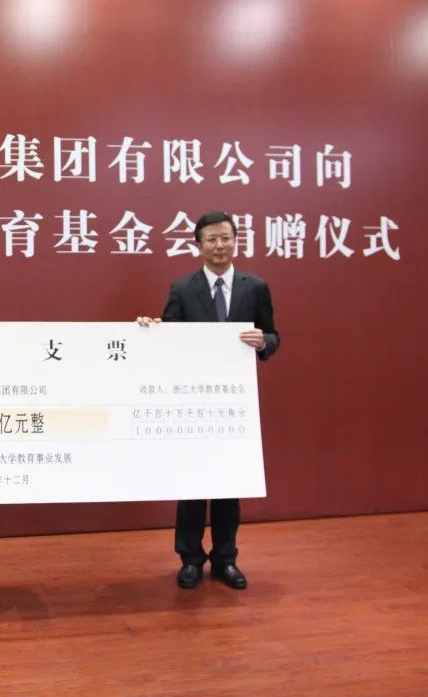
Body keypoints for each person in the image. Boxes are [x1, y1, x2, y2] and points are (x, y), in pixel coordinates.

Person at [137, 211, 279, 590]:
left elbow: (273, 336)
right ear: (198, 245)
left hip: (234, 403)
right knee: (193, 485)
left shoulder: (255, 287)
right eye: (212, 239)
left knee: (229, 486)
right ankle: (190, 559)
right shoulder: (183, 289)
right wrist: (151, 330)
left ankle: (225, 559)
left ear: (236, 241)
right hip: (193, 401)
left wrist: (263, 342)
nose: (219, 245)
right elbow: (168, 337)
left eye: (226, 238)